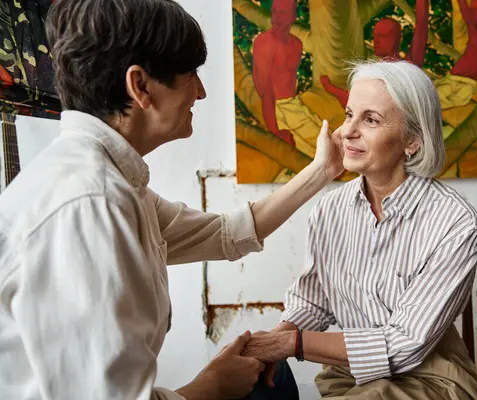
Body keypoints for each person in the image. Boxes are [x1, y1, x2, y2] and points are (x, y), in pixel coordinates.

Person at [0, 0, 344, 399]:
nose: (201, 92)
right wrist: (209, 386)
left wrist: (322, 170)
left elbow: (224, 234)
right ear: (140, 85)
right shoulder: (90, 205)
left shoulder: (117, 184)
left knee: (274, 376)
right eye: (190, 75)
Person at [241, 61, 477, 399]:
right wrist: (271, 343)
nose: (348, 132)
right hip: (350, 377)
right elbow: (314, 299)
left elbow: (404, 346)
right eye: (349, 114)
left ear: (412, 140)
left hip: (429, 381)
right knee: (249, 378)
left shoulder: (456, 223)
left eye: (370, 120)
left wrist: (289, 343)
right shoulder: (331, 208)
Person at [320, 0, 429, 109]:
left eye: (383, 36)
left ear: (397, 39)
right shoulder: (370, 71)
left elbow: (421, 25)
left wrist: (330, 88)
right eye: (375, 36)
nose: (376, 41)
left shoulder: (407, 68)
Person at [252, 0, 324, 157]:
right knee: (317, 154)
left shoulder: (296, 44)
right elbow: (265, 89)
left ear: (293, 16)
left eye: (282, 12)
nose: (277, 17)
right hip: (277, 108)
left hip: (294, 104)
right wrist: (274, 130)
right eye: (274, 12)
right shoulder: (264, 42)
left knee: (330, 143)